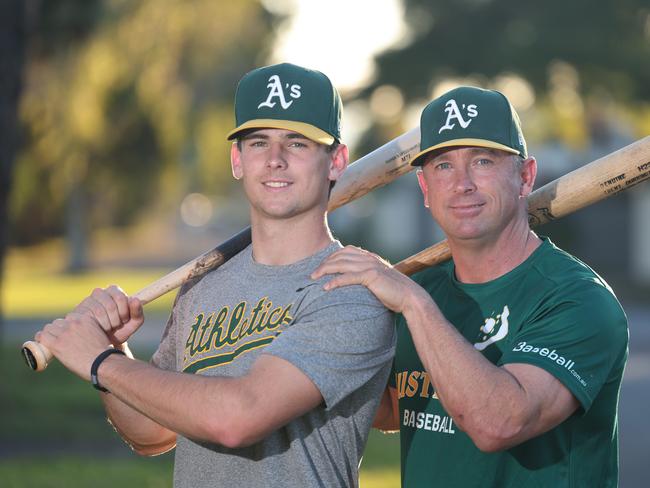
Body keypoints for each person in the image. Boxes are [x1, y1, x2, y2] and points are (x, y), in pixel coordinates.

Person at [34, 62, 395, 487]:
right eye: (258, 142)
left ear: (336, 161)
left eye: (297, 143)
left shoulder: (353, 290)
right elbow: (152, 433)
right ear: (237, 160)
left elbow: (238, 418)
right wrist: (117, 350)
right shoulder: (204, 283)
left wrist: (101, 361)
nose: (275, 160)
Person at [313, 86, 629, 487]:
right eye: (443, 166)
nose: (461, 183)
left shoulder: (579, 300)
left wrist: (412, 302)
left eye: (482, 161)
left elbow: (499, 422)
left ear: (525, 176)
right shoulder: (426, 288)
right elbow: (392, 407)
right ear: (426, 188)